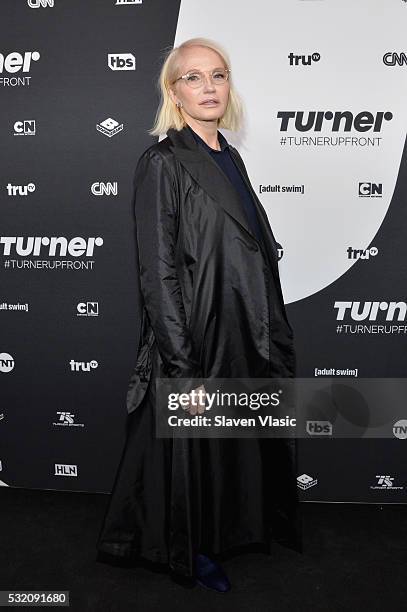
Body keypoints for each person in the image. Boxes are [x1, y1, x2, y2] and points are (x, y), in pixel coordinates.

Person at [96, 36, 302, 593]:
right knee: (191, 452)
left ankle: (237, 530)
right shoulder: (163, 162)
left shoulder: (228, 155)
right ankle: (192, 548)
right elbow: (157, 271)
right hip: (197, 334)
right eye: (194, 77)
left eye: (219, 75)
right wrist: (180, 362)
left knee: (232, 443)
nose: (209, 87)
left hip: (243, 328)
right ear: (173, 90)